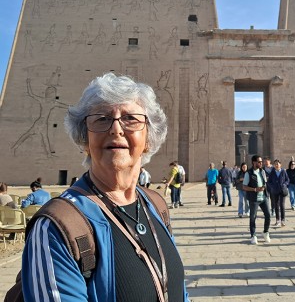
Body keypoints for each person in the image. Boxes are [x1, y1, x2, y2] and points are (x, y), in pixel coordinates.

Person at [22, 73, 188, 301]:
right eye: (101, 119)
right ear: (85, 139)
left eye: (130, 118)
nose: (116, 129)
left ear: (149, 138)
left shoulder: (155, 205)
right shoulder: (57, 228)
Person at [243, 154, 271, 245]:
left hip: (263, 197)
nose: (261, 163)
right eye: (259, 162)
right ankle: (253, 235)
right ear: (254, 162)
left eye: (261, 162)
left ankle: (265, 232)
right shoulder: (249, 173)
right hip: (254, 198)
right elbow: (244, 187)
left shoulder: (262, 171)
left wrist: (265, 188)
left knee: (268, 215)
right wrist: (255, 189)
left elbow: (265, 182)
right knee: (253, 217)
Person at [267, 159, 290, 227]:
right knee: (276, 205)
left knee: (282, 205)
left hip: (282, 190)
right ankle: (278, 220)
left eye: (278, 164)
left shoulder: (283, 171)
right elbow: (269, 182)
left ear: (280, 165)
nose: (277, 165)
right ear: (274, 165)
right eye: (275, 164)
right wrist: (272, 186)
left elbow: (287, 180)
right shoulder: (272, 172)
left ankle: (283, 220)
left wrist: (285, 184)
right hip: (275, 190)